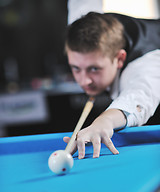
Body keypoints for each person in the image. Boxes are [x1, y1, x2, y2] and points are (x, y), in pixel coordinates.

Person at [63, 12, 160, 159]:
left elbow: (139, 97)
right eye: (76, 68)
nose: (84, 81)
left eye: (94, 69)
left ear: (120, 58)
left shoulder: (146, 65)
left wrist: (105, 120)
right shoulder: (80, 28)